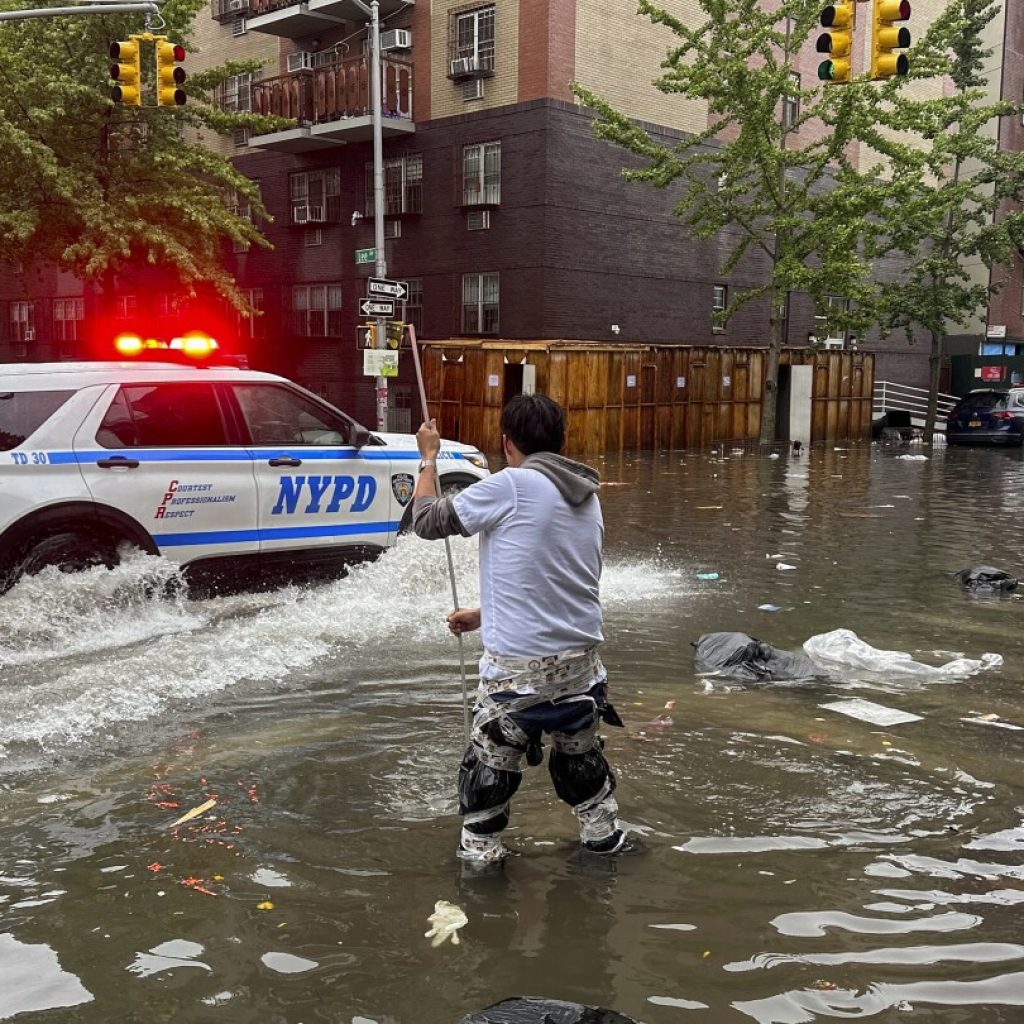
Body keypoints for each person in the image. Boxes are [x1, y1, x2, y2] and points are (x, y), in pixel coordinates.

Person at [413, 393, 627, 864]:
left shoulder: (511, 484)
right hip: (582, 673)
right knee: (584, 772)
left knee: (486, 779)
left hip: (517, 678)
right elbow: (559, 578)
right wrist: (486, 613)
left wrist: (427, 458)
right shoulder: (585, 494)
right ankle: (605, 847)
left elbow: (425, 521)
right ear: (560, 440)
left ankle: (483, 875)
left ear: (507, 443)